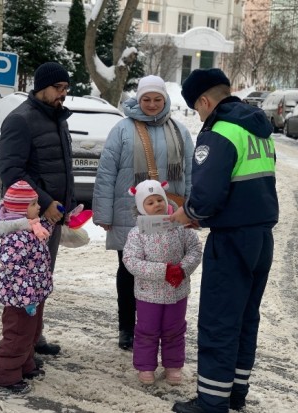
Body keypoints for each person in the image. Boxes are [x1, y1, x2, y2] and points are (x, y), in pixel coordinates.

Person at [170, 68, 279, 413]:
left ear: (204, 100)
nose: (199, 115)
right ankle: (235, 393)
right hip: (261, 237)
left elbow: (207, 195)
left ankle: (211, 402)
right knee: (246, 317)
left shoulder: (220, 131)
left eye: (196, 108)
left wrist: (187, 213)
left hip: (232, 240)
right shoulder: (256, 128)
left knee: (219, 319)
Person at [92, 75, 194, 351]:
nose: (151, 104)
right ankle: (127, 327)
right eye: (145, 99)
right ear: (138, 99)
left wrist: (192, 210)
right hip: (130, 214)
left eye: (156, 99)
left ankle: (158, 325)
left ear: (165, 100)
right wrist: (103, 213)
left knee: (164, 267)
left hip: (169, 214)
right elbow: (106, 173)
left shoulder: (180, 131)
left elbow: (190, 173)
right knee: (129, 270)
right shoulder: (122, 130)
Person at [0, 61, 76, 359]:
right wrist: (46, 202)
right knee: (25, 283)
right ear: (41, 87)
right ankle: (19, 348)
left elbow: (60, 167)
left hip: (53, 217)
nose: (63, 94)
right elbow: (12, 172)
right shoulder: (20, 120)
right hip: (31, 218)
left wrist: (66, 204)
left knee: (42, 281)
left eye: (66, 88)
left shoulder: (58, 118)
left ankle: (33, 337)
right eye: (58, 88)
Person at [122, 180, 202, 385]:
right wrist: (163, 271)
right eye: (150, 202)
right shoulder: (137, 233)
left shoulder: (180, 227)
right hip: (149, 293)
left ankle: (173, 366)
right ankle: (145, 367)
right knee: (147, 331)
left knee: (174, 330)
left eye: (159, 199)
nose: (156, 204)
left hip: (177, 291)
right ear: (141, 207)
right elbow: (131, 261)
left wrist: (182, 269)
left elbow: (194, 248)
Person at [0, 180, 54, 394]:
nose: (38, 207)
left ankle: (25, 365)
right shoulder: (15, 238)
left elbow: (45, 229)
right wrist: (27, 298)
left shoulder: (32, 227)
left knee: (31, 333)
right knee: (17, 336)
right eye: (34, 204)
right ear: (21, 209)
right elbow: (15, 271)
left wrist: (61, 217)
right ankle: (6, 376)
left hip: (32, 296)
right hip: (20, 300)